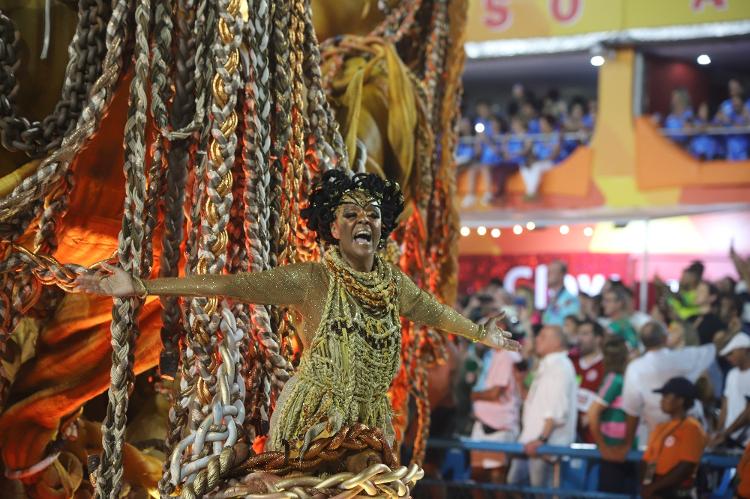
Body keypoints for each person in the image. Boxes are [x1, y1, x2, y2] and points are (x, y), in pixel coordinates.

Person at [76, 170, 520, 457]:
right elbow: (228, 285)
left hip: (372, 417)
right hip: (316, 417)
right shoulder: (311, 280)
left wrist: (483, 334)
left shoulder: (393, 283)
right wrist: (142, 286)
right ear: (333, 228)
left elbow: (435, 311)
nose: (364, 219)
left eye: (373, 214)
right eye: (351, 213)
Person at [615, 321, 716, 456]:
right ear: (665, 338)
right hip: (673, 438)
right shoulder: (684, 357)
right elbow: (712, 350)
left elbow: (632, 411)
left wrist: (627, 443)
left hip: (664, 437)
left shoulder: (636, 367)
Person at [507, 325, 577, 489]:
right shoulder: (547, 365)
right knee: (514, 483)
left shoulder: (560, 366)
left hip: (545, 446)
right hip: (531, 441)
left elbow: (557, 409)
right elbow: (534, 403)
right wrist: (519, 381)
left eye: (543, 337)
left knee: (541, 492)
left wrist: (541, 439)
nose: (537, 339)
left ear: (557, 342)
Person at [640, 377, 707, 499]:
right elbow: (650, 461)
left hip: (678, 492)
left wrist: (653, 488)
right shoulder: (661, 427)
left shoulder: (692, 428)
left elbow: (686, 466)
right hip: (656, 490)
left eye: (666, 396)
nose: (662, 400)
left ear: (680, 400)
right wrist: (648, 486)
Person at [588, 336, 637, 494]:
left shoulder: (623, 379)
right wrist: (604, 448)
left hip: (624, 451)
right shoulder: (614, 380)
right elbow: (593, 412)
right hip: (613, 451)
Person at [469, 340, 522, 486]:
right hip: (482, 423)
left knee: (497, 477)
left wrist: (471, 395)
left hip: (500, 426)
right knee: (477, 476)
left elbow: (495, 394)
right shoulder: (490, 355)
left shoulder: (508, 355)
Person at [710, 333, 750, 449]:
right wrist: (718, 432)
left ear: (746, 350)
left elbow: (748, 412)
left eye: (731, 353)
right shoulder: (731, 374)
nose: (728, 358)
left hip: (745, 441)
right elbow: (725, 405)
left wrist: (726, 433)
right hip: (729, 437)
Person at [572, 319, 604, 443]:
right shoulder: (570, 362)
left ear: (598, 338)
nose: (580, 338)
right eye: (578, 334)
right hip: (570, 430)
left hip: (594, 435)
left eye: (585, 334)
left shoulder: (605, 366)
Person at [542, 260, 580, 327]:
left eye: (552, 272)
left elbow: (570, 328)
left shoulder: (570, 300)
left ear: (561, 275)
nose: (548, 275)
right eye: (548, 272)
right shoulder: (552, 299)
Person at [601, 286, 639, 350]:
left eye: (608, 301)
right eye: (604, 300)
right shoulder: (614, 324)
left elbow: (634, 348)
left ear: (619, 303)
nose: (603, 304)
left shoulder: (624, 325)